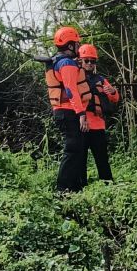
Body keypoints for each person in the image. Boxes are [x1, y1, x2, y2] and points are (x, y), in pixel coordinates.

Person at [44, 26, 91, 192]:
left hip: (64, 111)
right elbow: (71, 90)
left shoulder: (59, 61)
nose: (79, 46)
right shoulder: (66, 63)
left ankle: (74, 187)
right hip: (68, 111)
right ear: (70, 45)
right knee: (72, 149)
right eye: (77, 43)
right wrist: (81, 114)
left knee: (76, 148)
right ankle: (62, 188)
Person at [78, 44, 120, 183]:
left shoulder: (101, 80)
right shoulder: (75, 77)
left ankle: (107, 182)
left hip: (98, 124)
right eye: (87, 60)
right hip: (81, 125)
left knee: (102, 158)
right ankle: (81, 185)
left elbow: (115, 98)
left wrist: (113, 91)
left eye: (92, 61)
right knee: (80, 158)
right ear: (81, 61)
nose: (90, 64)